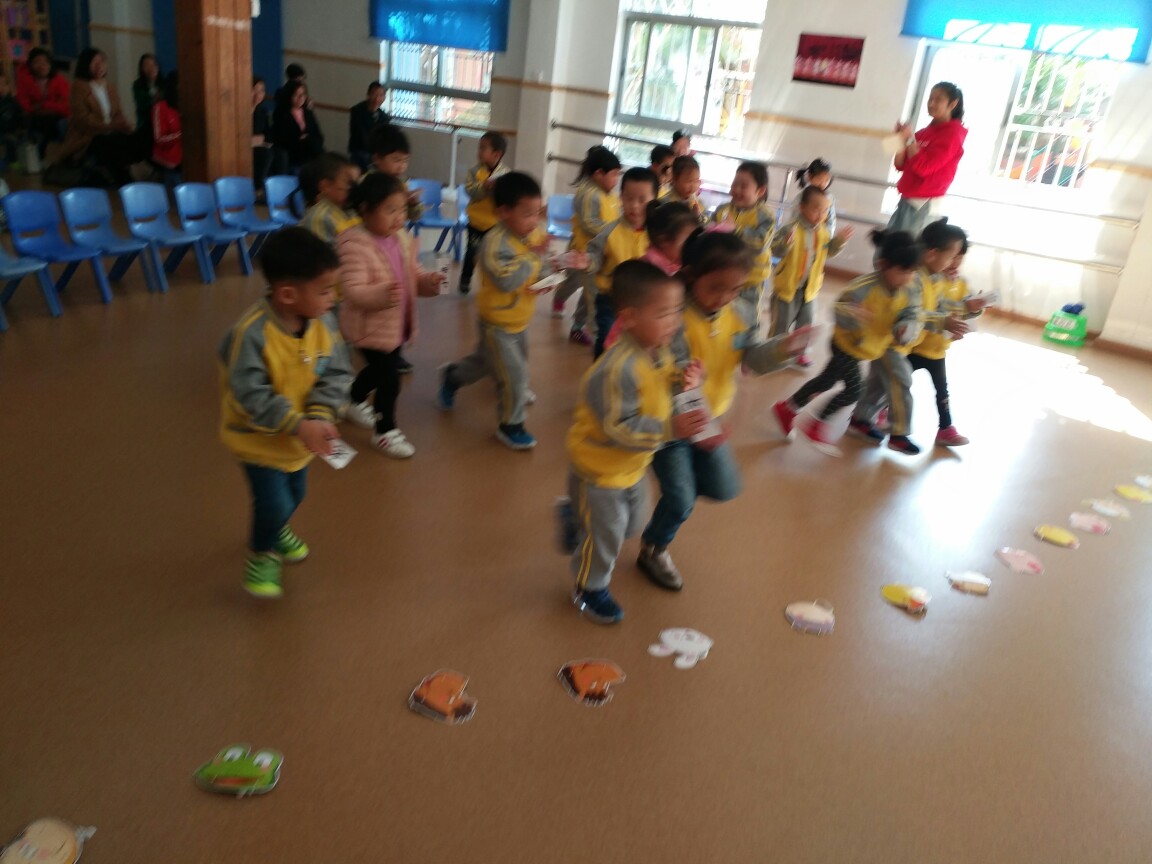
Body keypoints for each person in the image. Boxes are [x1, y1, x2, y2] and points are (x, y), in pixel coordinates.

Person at [637, 231, 810, 589]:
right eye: (716, 288)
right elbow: (672, 376)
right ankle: (654, 547)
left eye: (735, 289)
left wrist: (783, 348)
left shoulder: (742, 312)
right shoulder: (673, 316)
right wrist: (695, 429)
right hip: (671, 420)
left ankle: (674, 483)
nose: (725, 297)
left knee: (725, 486)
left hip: (708, 418)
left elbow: (753, 358)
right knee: (681, 498)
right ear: (690, 275)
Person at [562, 260, 706, 624]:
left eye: (677, 310)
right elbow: (621, 428)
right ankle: (589, 587)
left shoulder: (660, 350)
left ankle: (576, 514)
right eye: (663, 313)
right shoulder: (616, 369)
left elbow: (664, 383)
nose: (674, 321)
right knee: (608, 536)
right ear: (628, 318)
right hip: (601, 469)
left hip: (633, 465)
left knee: (630, 525)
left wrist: (686, 381)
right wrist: (671, 428)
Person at [217, 227, 352, 598]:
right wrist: (296, 423)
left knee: (296, 493)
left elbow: (337, 371)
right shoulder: (252, 334)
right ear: (288, 295)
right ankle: (262, 553)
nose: (332, 299)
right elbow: (248, 394)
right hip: (257, 439)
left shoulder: (323, 323)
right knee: (273, 502)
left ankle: (276, 527)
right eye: (325, 291)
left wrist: (320, 415)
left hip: (299, 438)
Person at [438, 171, 575, 451]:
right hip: (496, 322)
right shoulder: (493, 244)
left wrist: (550, 276)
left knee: (485, 363)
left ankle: (453, 376)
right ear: (503, 212)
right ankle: (510, 425)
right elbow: (506, 280)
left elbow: (540, 265)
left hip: (519, 319)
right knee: (514, 373)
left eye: (537, 213)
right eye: (527, 214)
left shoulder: (533, 234)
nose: (534, 221)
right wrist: (533, 256)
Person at [771, 230, 924, 457]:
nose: (908, 278)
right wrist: (853, 313)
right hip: (845, 345)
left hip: (864, 348)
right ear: (884, 265)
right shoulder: (864, 287)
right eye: (903, 271)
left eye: (912, 272)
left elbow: (911, 313)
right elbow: (837, 308)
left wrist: (906, 327)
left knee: (826, 380)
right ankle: (816, 425)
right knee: (854, 390)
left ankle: (787, 408)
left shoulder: (908, 291)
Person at [337, 173, 444, 458]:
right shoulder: (354, 244)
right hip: (369, 327)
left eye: (402, 209)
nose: (399, 217)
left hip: (396, 325)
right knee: (389, 378)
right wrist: (380, 295)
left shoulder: (401, 238)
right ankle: (384, 431)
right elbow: (352, 290)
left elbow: (414, 275)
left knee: (378, 370)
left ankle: (354, 398)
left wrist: (429, 282)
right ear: (365, 210)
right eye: (390, 210)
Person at [849, 218, 977, 450]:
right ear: (932, 254)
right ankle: (899, 433)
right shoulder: (913, 277)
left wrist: (965, 310)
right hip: (890, 343)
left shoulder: (935, 279)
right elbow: (916, 313)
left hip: (903, 344)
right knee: (901, 383)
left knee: (878, 387)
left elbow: (940, 306)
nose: (953, 263)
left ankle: (859, 420)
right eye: (950, 256)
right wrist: (943, 321)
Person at [769, 185, 854, 365]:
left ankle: (799, 353)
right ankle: (774, 353)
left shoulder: (822, 232)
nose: (821, 214)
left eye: (825, 210)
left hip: (810, 289)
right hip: (788, 288)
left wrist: (839, 241)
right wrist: (785, 243)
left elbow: (828, 252)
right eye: (816, 209)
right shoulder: (791, 228)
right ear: (802, 207)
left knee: (806, 324)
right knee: (781, 324)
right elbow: (775, 250)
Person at [587, 166, 659, 358]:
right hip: (611, 299)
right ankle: (601, 371)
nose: (634, 205)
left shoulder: (657, 234)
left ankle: (625, 373)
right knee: (606, 340)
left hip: (643, 302)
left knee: (636, 345)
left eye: (642, 200)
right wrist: (587, 261)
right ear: (621, 197)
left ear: (653, 200)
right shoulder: (610, 231)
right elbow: (595, 255)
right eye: (628, 198)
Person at [552, 145, 621, 344]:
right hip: (582, 252)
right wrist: (613, 232)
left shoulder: (609, 195)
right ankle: (565, 303)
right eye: (614, 175)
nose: (616, 180)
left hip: (599, 253)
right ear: (598, 174)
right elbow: (589, 223)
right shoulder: (589, 194)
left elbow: (614, 217)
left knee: (591, 292)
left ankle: (579, 325)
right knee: (577, 284)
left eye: (618, 175)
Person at [886, 81, 967, 237]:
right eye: (930, 98)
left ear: (953, 104)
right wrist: (898, 139)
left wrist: (909, 139)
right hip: (906, 199)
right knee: (891, 247)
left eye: (938, 99)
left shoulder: (953, 134)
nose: (931, 103)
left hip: (923, 204)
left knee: (906, 249)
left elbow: (923, 168)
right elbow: (899, 165)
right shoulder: (924, 132)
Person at [55, 47, 142, 186]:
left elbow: (117, 112)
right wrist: (110, 127)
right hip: (88, 137)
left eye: (102, 61)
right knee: (111, 143)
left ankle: (121, 177)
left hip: (110, 131)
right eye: (94, 62)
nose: (99, 66)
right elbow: (83, 120)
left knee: (134, 139)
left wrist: (123, 123)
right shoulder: (79, 87)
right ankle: (124, 180)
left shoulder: (110, 87)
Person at [711, 160, 775, 321]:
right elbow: (710, 233)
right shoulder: (723, 210)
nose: (737, 190)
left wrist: (736, 230)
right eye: (734, 184)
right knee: (722, 314)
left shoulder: (766, 216)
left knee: (747, 317)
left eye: (743, 186)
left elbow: (760, 244)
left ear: (760, 191)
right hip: (723, 274)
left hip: (751, 279)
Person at [459, 130, 508, 294]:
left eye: (483, 148)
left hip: (495, 225)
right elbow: (470, 191)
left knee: (492, 256)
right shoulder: (474, 171)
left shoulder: (505, 174)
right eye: (479, 147)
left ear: (496, 154)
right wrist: (484, 187)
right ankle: (465, 278)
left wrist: (498, 191)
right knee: (472, 253)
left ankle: (489, 284)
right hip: (476, 222)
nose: (479, 152)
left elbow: (505, 199)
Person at [16, 47, 69, 159]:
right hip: (35, 118)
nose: (41, 65)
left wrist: (43, 105)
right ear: (30, 65)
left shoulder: (59, 80)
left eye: (45, 62)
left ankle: (41, 154)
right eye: (36, 62)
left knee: (53, 122)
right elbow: (26, 106)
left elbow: (66, 106)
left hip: (55, 117)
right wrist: (51, 106)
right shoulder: (25, 81)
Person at [299, 152, 361, 245]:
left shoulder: (349, 211)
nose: (352, 187)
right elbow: (324, 252)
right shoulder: (319, 218)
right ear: (325, 186)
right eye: (347, 182)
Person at [367, 124, 423, 223]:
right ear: (377, 159)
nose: (402, 166)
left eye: (405, 160)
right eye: (397, 160)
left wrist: (413, 203)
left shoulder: (400, 185)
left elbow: (414, 217)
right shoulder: (367, 184)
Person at [273, 79, 324, 173]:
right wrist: (301, 139)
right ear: (290, 95)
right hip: (294, 154)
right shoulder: (281, 114)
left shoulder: (308, 113)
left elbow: (318, 135)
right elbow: (281, 138)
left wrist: (307, 139)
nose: (301, 97)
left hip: (311, 151)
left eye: (303, 94)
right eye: (297, 95)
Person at [347, 82, 391, 171]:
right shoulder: (357, 111)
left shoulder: (384, 117)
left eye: (381, 95)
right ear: (368, 95)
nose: (377, 98)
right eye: (374, 94)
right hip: (360, 151)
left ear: (384, 97)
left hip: (375, 154)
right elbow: (359, 135)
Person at [794, 158, 837, 236]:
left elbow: (831, 221)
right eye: (820, 179)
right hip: (802, 234)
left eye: (826, 180)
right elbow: (795, 218)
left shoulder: (829, 198)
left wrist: (827, 237)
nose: (823, 184)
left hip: (821, 236)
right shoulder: (801, 197)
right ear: (810, 177)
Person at [150, 72, 181, 174]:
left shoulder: (186, 104)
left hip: (186, 154)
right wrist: (181, 135)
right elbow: (159, 138)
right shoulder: (160, 107)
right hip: (168, 156)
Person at [664, 155, 706, 223]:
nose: (693, 186)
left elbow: (704, 222)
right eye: (689, 181)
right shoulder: (667, 202)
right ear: (674, 179)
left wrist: (698, 217)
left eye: (696, 180)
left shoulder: (695, 200)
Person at [251, 76, 274, 192]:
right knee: (265, 154)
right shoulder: (239, 110)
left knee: (281, 154)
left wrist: (261, 138)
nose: (258, 94)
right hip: (244, 148)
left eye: (261, 91)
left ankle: (275, 190)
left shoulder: (262, 111)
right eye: (254, 90)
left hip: (259, 145)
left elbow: (269, 135)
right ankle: (258, 189)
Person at [132, 53, 160, 133]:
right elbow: (142, 105)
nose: (151, 68)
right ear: (141, 69)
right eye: (147, 65)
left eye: (153, 65)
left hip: (162, 124)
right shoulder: (138, 85)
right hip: (145, 126)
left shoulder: (163, 84)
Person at [0, 74, 24, 166]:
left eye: (4, 84)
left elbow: (20, 117)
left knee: (12, 141)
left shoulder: (13, 102)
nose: (1, 87)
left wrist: (19, 131)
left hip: (12, 132)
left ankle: (12, 161)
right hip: (3, 133)